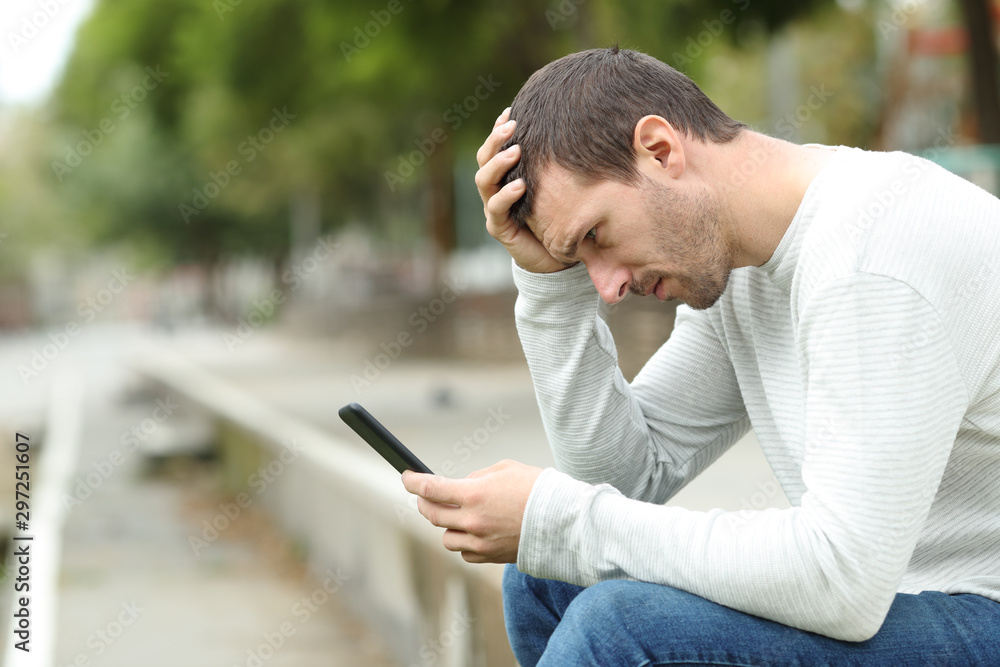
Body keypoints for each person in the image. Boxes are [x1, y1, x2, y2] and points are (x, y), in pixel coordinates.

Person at [402, 46, 1000, 665]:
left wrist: (562, 520)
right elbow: (625, 479)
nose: (606, 288)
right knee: (545, 575)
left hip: (979, 609)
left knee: (618, 627)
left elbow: (841, 579)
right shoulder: (744, 267)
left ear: (661, 151)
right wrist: (550, 286)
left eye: (594, 238)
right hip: (906, 603)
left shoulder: (872, 255)